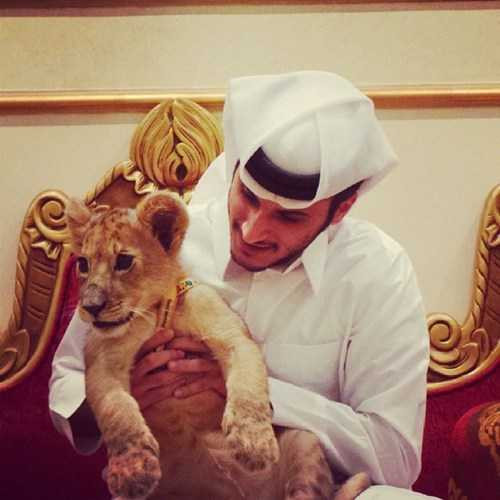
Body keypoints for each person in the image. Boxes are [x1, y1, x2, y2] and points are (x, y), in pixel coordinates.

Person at [49, 71, 438, 499]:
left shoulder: (378, 270)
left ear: (341, 209)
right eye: (248, 197)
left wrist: (253, 397)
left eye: (289, 216)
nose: (252, 231)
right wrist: (122, 397)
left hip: (303, 483)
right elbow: (70, 376)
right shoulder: (162, 241)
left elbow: (394, 456)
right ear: (234, 169)